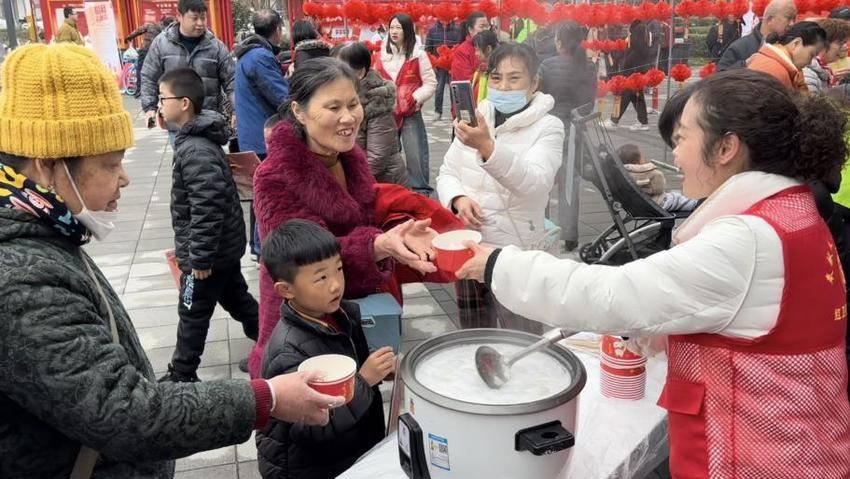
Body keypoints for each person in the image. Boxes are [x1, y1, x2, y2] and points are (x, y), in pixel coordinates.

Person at [457, 69, 850, 478]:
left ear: (726, 147)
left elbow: (609, 295)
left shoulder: (747, 240)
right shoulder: (795, 212)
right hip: (805, 451)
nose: (675, 155)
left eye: (682, 138)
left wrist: (497, 264)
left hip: (756, 463)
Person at [0, 43, 343, 478]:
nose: (125, 178)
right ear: (48, 167)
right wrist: (267, 398)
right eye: (109, 164)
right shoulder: (19, 278)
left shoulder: (43, 231)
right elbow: (126, 412)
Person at [248, 57, 438, 377]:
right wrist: (377, 245)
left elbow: (365, 221)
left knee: (360, 391)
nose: (348, 117)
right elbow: (302, 258)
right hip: (305, 322)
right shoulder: (275, 175)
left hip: (351, 308)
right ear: (298, 112)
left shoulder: (350, 158)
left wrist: (398, 233)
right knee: (318, 397)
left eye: (353, 104)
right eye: (333, 107)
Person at [437, 42, 565, 331]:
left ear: (534, 83)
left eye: (514, 78)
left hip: (514, 252)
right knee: (474, 333)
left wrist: (487, 146)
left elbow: (535, 184)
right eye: (496, 78)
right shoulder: (476, 117)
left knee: (520, 335)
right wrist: (457, 198)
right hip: (469, 246)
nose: (504, 87)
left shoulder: (549, 127)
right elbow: (447, 171)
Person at [256, 220, 393, 479]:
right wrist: (364, 380)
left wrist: (379, 371)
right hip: (311, 467)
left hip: (348, 449)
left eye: (338, 269)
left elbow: (353, 368)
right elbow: (311, 427)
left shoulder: (340, 315)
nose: (336, 284)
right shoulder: (288, 350)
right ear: (286, 290)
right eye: (321, 277)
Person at [155, 68, 259, 382]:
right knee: (237, 300)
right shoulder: (195, 143)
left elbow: (207, 208)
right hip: (220, 249)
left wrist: (198, 258)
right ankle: (272, 341)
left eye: (163, 98)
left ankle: (182, 373)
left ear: (184, 103)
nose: (159, 105)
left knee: (192, 310)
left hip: (208, 256)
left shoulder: (196, 150)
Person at [234, 9, 290, 259]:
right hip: (263, 136)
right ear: (277, 30)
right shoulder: (260, 57)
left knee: (258, 191)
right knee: (267, 192)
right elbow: (281, 96)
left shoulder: (249, 53)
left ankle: (257, 247)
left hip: (252, 133)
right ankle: (261, 247)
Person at [538, 22, 597, 252]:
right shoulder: (588, 67)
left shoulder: (546, 66)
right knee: (570, 183)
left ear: (559, 42)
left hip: (549, 130)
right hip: (575, 130)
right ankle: (570, 236)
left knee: (542, 180)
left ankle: (542, 228)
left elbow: (539, 100)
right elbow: (589, 104)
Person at [140, 0, 235, 135]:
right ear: (179, 16)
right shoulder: (161, 44)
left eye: (203, 18)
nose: (200, 23)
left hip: (208, 122)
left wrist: (236, 110)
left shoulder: (216, 46)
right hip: (176, 124)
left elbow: (232, 80)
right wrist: (150, 108)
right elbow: (149, 77)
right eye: (194, 18)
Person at [376, 13, 437, 195]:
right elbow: (373, 81)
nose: (394, 31)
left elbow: (430, 83)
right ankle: (391, 191)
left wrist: (415, 98)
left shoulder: (418, 56)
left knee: (415, 153)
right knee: (387, 155)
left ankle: (420, 191)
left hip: (410, 113)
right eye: (392, 27)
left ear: (407, 31)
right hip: (386, 114)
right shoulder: (380, 55)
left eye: (399, 28)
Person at [332, 41, 407, 185]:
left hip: (381, 182)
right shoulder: (340, 96)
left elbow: (377, 158)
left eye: (340, 69)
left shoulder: (377, 100)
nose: (332, 74)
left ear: (360, 72)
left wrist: (348, 182)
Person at [747, 20, 826, 92]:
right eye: (811, 55)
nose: (810, 62)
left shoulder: (779, 66)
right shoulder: (775, 71)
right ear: (796, 43)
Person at [718, 0, 797, 71]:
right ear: (770, 19)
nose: (792, 24)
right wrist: (745, 64)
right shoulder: (740, 47)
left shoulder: (793, 46)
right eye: (788, 18)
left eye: (794, 19)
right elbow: (719, 76)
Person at [603, 21, 654, 131]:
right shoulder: (643, 48)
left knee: (625, 97)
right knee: (637, 98)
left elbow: (626, 62)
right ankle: (643, 122)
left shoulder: (635, 50)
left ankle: (614, 121)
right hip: (636, 77)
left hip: (631, 77)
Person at [618, 143, 697, 212]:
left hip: (641, 204)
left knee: (675, 196)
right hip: (657, 203)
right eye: (642, 157)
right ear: (636, 163)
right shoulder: (645, 171)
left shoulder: (626, 173)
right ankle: (696, 204)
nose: (645, 158)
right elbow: (659, 188)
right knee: (677, 199)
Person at [126, 16, 174, 99]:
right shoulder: (167, 31)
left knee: (140, 71)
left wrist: (129, 38)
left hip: (144, 51)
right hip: (157, 53)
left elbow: (138, 31)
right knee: (157, 71)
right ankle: (158, 91)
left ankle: (139, 91)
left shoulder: (150, 25)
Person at [426, 20, 463, 120]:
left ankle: (455, 111)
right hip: (439, 64)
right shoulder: (433, 30)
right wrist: (432, 64)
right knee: (439, 88)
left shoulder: (457, 29)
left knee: (454, 89)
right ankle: (438, 111)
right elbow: (428, 48)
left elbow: (460, 46)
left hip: (453, 65)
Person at [804, 18, 850, 92]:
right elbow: (812, 99)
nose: (845, 47)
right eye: (840, 43)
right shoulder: (807, 74)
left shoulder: (823, 70)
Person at [451, 11, 491, 85]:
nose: (485, 30)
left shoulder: (493, 46)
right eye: (482, 26)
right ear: (470, 30)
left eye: (487, 26)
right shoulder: (462, 51)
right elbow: (465, 82)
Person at [471, 30, 500, 103]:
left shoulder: (498, 71)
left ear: (488, 49)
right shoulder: (482, 69)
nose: (476, 53)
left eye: (477, 50)